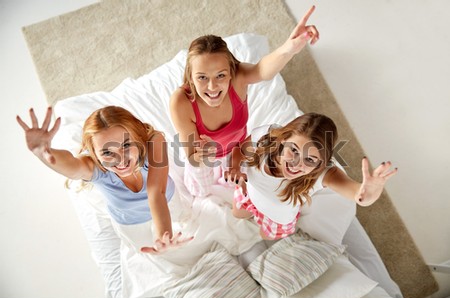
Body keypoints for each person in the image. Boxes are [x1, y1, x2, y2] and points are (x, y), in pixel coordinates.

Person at [170, 6, 320, 197]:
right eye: (202, 78)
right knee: (201, 192)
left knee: (250, 189)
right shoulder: (181, 103)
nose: (212, 86)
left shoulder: (238, 79)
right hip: (204, 158)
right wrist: (203, 157)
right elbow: (192, 157)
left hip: (237, 150)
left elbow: (262, 70)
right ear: (190, 77)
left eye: (220, 75)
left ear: (231, 71)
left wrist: (289, 48)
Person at [17, 106, 192, 254]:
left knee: (186, 238)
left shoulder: (154, 141)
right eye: (107, 153)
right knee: (153, 255)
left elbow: (156, 191)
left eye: (126, 146)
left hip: (168, 205)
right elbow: (72, 166)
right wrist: (45, 152)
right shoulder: (94, 168)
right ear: (94, 154)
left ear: (138, 137)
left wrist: (164, 235)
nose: (120, 159)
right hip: (132, 224)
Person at [231, 113, 398, 240]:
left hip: (277, 219)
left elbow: (357, 193)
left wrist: (367, 194)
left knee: (263, 237)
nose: (296, 163)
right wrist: (235, 168)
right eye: (294, 150)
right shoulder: (266, 137)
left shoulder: (324, 173)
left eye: (309, 159)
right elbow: (239, 150)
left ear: (320, 163)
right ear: (283, 139)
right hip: (249, 195)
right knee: (237, 214)